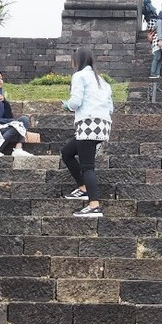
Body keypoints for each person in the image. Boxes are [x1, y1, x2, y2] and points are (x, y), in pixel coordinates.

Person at [61, 47, 114, 219]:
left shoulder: (79, 76)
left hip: (87, 124)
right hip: (102, 125)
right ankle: (83, 188)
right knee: (67, 152)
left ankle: (94, 205)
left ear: (77, 60)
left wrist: (66, 105)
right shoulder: (102, 81)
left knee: (87, 166)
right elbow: (111, 107)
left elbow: (75, 102)